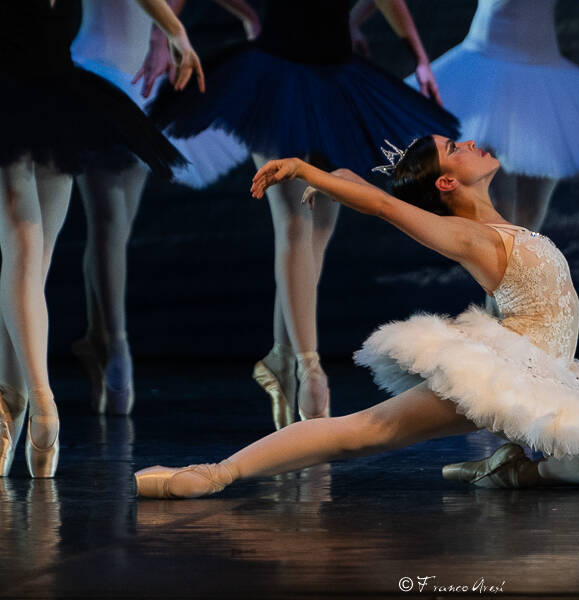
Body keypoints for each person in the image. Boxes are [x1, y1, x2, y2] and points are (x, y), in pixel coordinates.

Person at [134, 134, 579, 498]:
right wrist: (310, 171)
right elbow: (387, 206)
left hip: (556, 375)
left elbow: (383, 194)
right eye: (455, 148)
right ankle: (216, 474)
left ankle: (518, 470)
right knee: (363, 433)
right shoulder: (469, 236)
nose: (470, 142)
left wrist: (343, 179)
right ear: (448, 182)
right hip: (507, 372)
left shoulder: (504, 228)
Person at [148, 0, 459, 431]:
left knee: (319, 232)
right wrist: (165, 36)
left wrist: (417, 55)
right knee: (295, 223)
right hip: (277, 74)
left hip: (337, 75)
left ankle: (281, 357)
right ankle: (309, 370)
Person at [0, 0, 203, 478]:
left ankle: (14, 403)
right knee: (25, 253)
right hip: (17, 98)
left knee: (28, 267)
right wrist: (173, 30)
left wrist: (173, 30)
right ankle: (39, 405)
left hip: (56, 99)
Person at [69, 0, 254, 415]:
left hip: (121, 78)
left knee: (108, 228)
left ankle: (105, 343)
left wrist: (163, 32)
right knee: (110, 226)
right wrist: (167, 32)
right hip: (105, 78)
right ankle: (113, 347)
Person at [384, 0, 579, 232]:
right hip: (488, 70)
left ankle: (517, 280)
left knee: (530, 218)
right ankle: (499, 280)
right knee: (502, 214)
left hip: (543, 69)